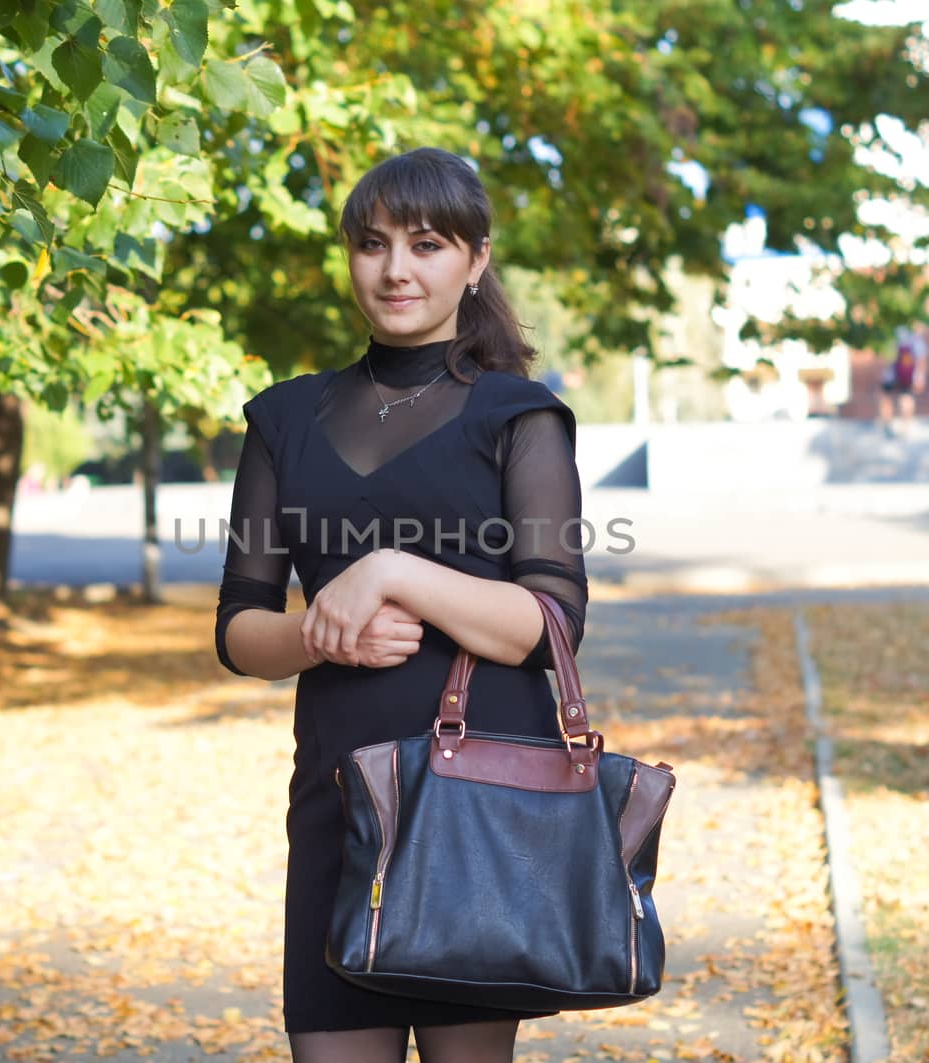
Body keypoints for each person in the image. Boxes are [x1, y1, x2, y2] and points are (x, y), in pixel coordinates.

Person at [213, 147, 587, 1063]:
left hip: (477, 810)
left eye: (427, 244)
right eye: (372, 244)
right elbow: (237, 630)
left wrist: (392, 570)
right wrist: (317, 630)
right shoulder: (283, 420)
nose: (396, 269)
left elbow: (553, 623)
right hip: (339, 803)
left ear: (476, 259)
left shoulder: (518, 416)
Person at [878, 325, 928, 431]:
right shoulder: (914, 337)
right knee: (906, 397)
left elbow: (885, 356)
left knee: (886, 397)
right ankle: (905, 427)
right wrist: (920, 377)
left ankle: (888, 426)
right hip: (907, 374)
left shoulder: (891, 334)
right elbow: (921, 358)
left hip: (890, 373)